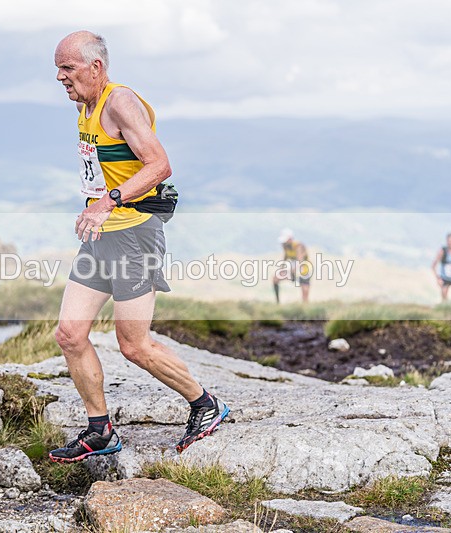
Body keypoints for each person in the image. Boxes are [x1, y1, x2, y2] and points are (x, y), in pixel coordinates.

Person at [48, 31, 229, 463]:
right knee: (70, 334)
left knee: (134, 345)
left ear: (96, 67)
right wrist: (96, 206)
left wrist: (107, 202)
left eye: (67, 68)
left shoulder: (120, 102)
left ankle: (206, 404)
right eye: (57, 69)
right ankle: (100, 430)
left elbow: (160, 164)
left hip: (133, 235)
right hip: (101, 236)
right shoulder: (86, 104)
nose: (59, 77)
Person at [272, 228, 310, 303]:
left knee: (304, 289)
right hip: (293, 268)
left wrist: (293, 272)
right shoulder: (285, 246)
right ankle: (277, 302)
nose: (283, 243)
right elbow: (285, 257)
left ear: (290, 239)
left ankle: (305, 305)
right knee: (275, 279)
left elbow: (300, 261)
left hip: (304, 268)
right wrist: (281, 268)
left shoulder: (298, 246)